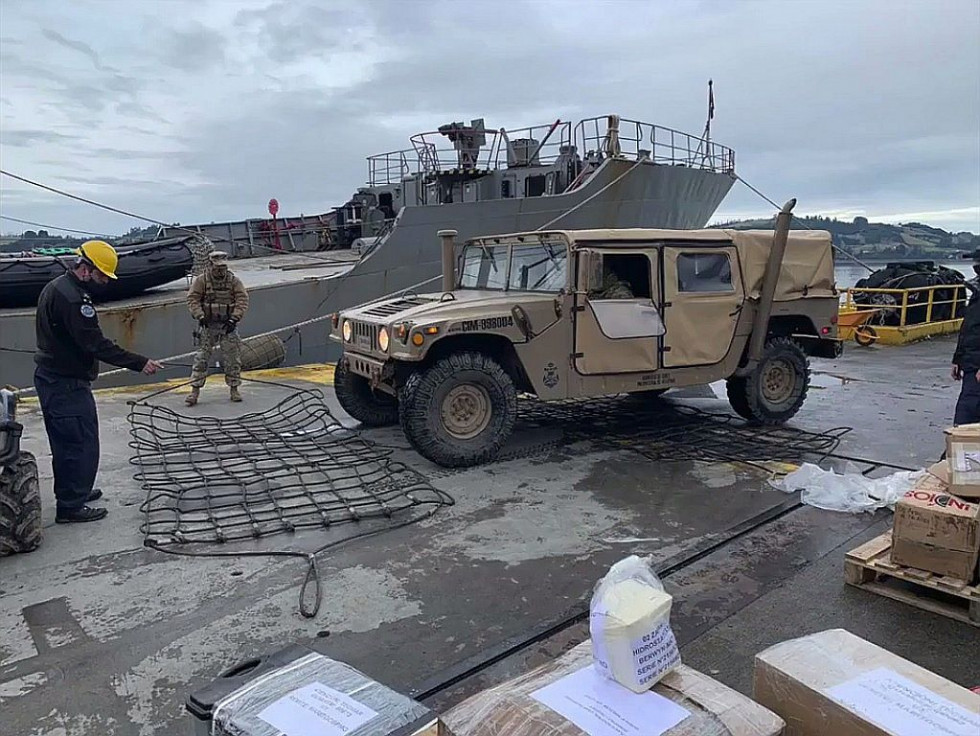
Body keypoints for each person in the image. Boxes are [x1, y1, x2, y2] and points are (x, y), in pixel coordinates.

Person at [34, 240, 163, 523]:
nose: (104, 282)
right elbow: (96, 345)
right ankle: (70, 506)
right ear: (85, 268)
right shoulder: (74, 300)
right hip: (65, 382)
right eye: (102, 276)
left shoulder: (58, 287)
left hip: (55, 377)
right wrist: (140, 362)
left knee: (68, 441)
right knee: (78, 442)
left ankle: (74, 490)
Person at [185, 251, 249, 406]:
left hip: (228, 325)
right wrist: (200, 316)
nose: (220, 271)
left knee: (232, 357)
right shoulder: (202, 281)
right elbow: (192, 299)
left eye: (223, 267)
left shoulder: (234, 281)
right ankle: (195, 391)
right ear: (210, 266)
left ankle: (234, 388)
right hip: (209, 325)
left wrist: (234, 318)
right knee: (201, 358)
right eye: (217, 267)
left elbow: (242, 299)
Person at [951, 249, 980, 425]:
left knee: (967, 419)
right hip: (971, 364)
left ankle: (961, 450)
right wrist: (958, 359)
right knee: (966, 415)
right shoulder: (977, 294)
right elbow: (969, 328)